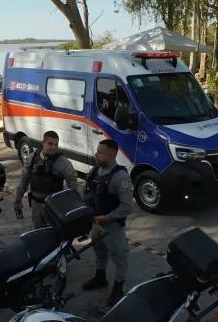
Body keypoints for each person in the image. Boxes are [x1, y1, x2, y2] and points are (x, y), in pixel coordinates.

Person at [81, 139, 134, 306]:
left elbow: (127, 207)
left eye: (100, 152)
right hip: (96, 223)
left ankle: (118, 289)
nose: (96, 154)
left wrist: (107, 218)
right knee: (99, 253)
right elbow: (87, 194)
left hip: (112, 227)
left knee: (120, 258)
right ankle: (100, 277)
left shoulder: (121, 177)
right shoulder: (95, 171)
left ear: (111, 155)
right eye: (97, 151)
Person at [13, 130, 79, 227]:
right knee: (39, 232)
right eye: (50, 144)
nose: (54, 147)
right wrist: (18, 200)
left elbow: (73, 185)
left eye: (56, 144)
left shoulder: (63, 163)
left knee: (55, 234)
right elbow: (25, 179)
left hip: (54, 206)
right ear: (42, 143)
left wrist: (71, 206)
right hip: (36, 204)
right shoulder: (32, 158)